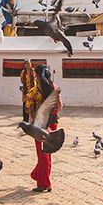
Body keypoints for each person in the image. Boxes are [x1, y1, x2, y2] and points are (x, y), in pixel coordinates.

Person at [30, 64, 61, 193]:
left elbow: (30, 109)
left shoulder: (35, 91)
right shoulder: (54, 88)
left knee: (42, 154)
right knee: (47, 153)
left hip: (40, 125)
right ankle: (39, 175)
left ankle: (44, 183)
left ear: (37, 75)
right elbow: (60, 106)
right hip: (53, 123)